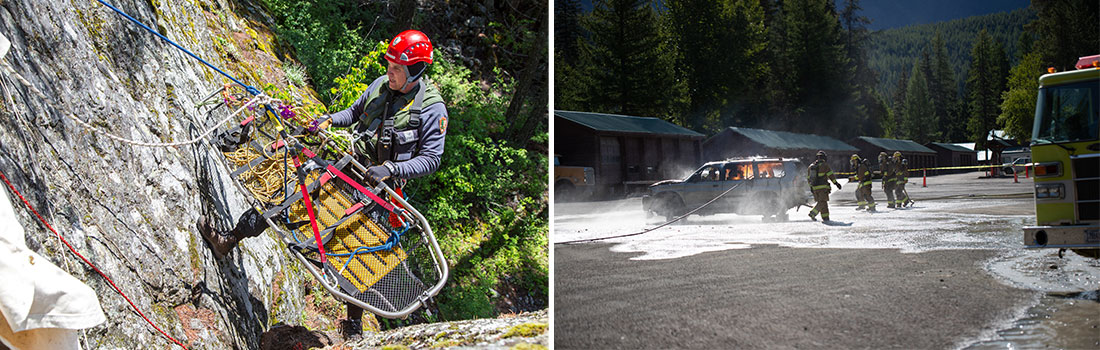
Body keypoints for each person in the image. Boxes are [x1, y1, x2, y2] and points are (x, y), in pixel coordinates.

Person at [197, 29, 448, 340]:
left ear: (416, 71)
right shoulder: (381, 85)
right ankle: (228, 240)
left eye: (397, 68)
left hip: (379, 189)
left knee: (359, 251)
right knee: (287, 194)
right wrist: (329, 120)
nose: (390, 72)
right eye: (389, 65)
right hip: (346, 168)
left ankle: (353, 325)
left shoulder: (431, 109)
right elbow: (355, 113)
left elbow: (431, 158)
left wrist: (391, 168)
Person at [807, 150, 842, 222]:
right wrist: (836, 184)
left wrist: (811, 187)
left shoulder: (811, 166)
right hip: (822, 188)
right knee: (822, 202)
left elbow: (808, 178)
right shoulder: (824, 165)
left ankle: (825, 218)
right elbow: (831, 175)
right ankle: (812, 213)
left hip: (815, 188)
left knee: (824, 203)